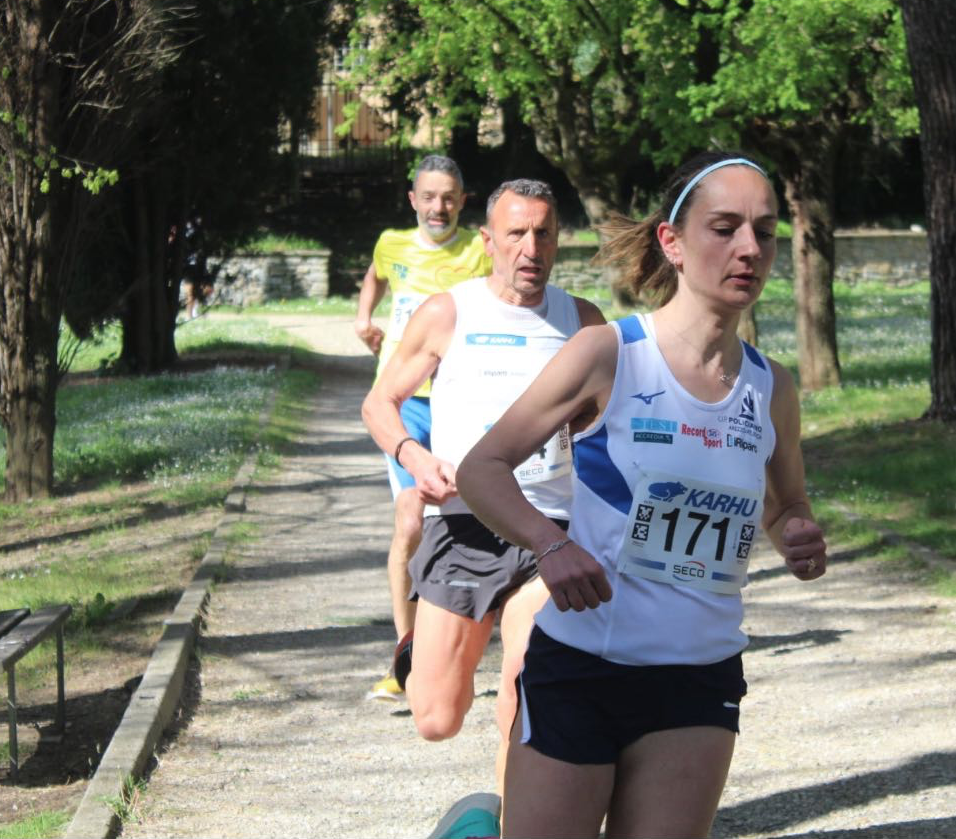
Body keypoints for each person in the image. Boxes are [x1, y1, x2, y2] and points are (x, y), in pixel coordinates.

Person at [457, 152, 828, 839]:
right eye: (724, 227)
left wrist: (797, 531)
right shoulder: (611, 354)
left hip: (698, 674)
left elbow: (785, 505)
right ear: (673, 242)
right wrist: (550, 542)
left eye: (765, 231)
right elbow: (481, 467)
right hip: (583, 666)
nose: (749, 248)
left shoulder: (772, 387)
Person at [361, 179, 606, 817]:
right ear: (488, 240)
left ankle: (513, 822)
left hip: (550, 524)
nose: (531, 248)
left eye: (544, 233)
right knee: (435, 718)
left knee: (525, 688)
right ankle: (422, 653)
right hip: (465, 522)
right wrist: (413, 457)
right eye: (517, 234)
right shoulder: (449, 313)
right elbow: (379, 402)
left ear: (558, 241)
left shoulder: (583, 322)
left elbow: (611, 422)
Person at [354, 155, 492, 700]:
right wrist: (364, 319)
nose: (439, 207)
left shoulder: (481, 250)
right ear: (413, 200)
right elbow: (376, 278)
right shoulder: (391, 243)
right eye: (429, 197)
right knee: (412, 517)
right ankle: (406, 654)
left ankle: (468, 644)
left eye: (449, 197)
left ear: (463, 200)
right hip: (405, 402)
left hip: (462, 403)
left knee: (466, 519)